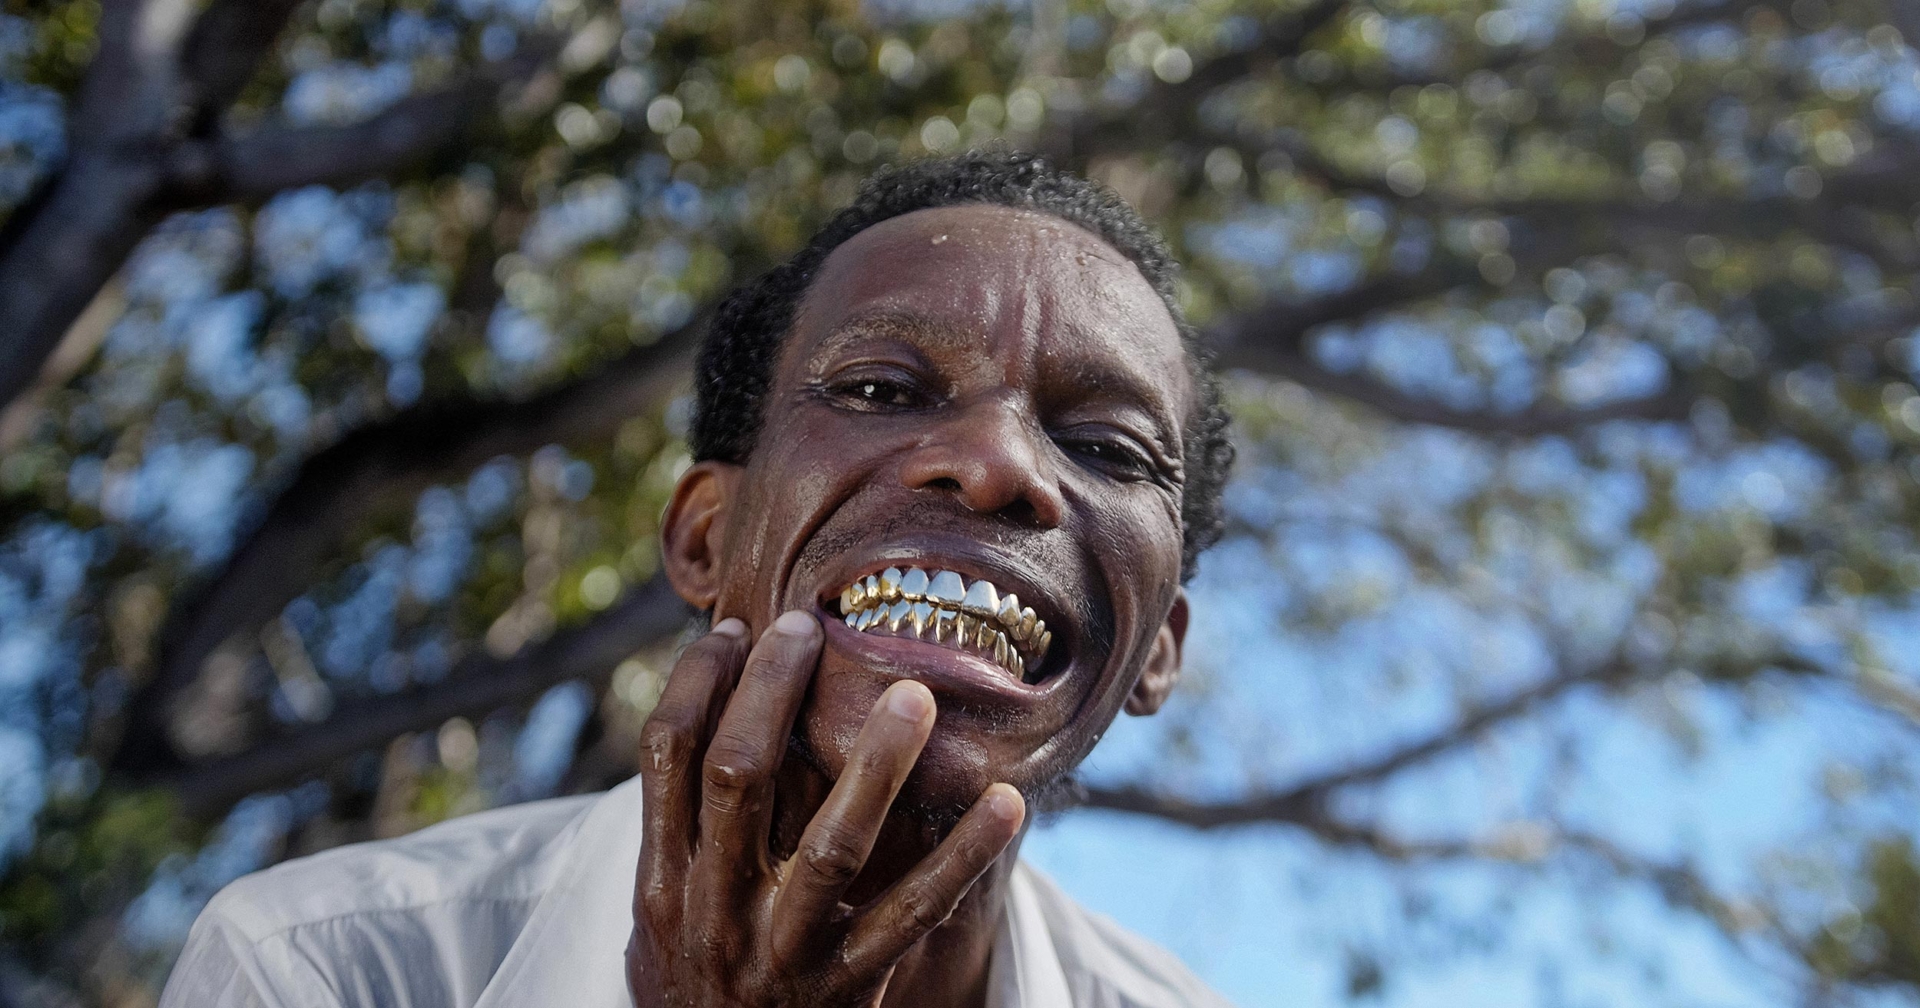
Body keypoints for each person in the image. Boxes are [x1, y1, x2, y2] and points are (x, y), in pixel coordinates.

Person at [158, 150, 1238, 1008]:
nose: (999, 464)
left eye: (1110, 449)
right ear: (703, 541)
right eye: (876, 388)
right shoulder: (323, 970)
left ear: (1157, 650)